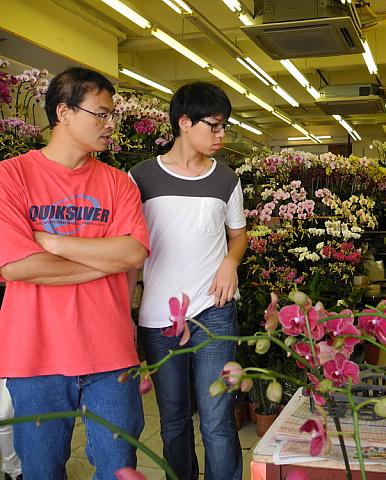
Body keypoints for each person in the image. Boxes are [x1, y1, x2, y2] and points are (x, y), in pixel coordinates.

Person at [0, 67, 150, 478]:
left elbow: (133, 253)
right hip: (35, 355)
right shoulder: (10, 177)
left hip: (110, 352)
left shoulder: (119, 184)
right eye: (100, 114)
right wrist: (103, 260)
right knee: (42, 471)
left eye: (112, 115)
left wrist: (50, 241)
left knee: (119, 468)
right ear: (64, 112)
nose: (110, 125)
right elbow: (17, 265)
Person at [129, 82, 248, 480]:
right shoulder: (141, 177)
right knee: (174, 420)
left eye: (224, 126)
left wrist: (231, 261)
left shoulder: (227, 180)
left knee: (217, 418)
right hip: (159, 317)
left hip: (214, 311)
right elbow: (131, 248)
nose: (221, 135)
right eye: (214, 126)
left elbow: (238, 234)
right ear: (184, 122)